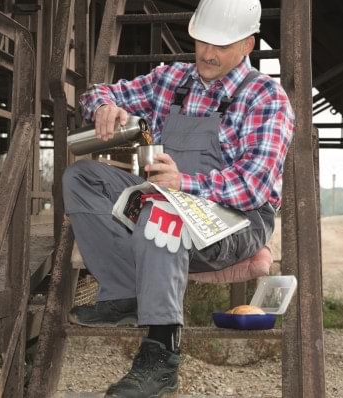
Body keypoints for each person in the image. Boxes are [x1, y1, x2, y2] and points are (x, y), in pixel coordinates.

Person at [62, 0, 295, 396]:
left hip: (236, 219)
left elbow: (254, 186)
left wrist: (184, 184)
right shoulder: (171, 80)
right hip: (167, 196)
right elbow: (96, 92)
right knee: (81, 177)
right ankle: (126, 294)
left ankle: (162, 353)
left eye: (221, 45)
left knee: (161, 214)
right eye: (203, 40)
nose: (207, 52)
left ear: (248, 45)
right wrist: (103, 107)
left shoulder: (265, 97)